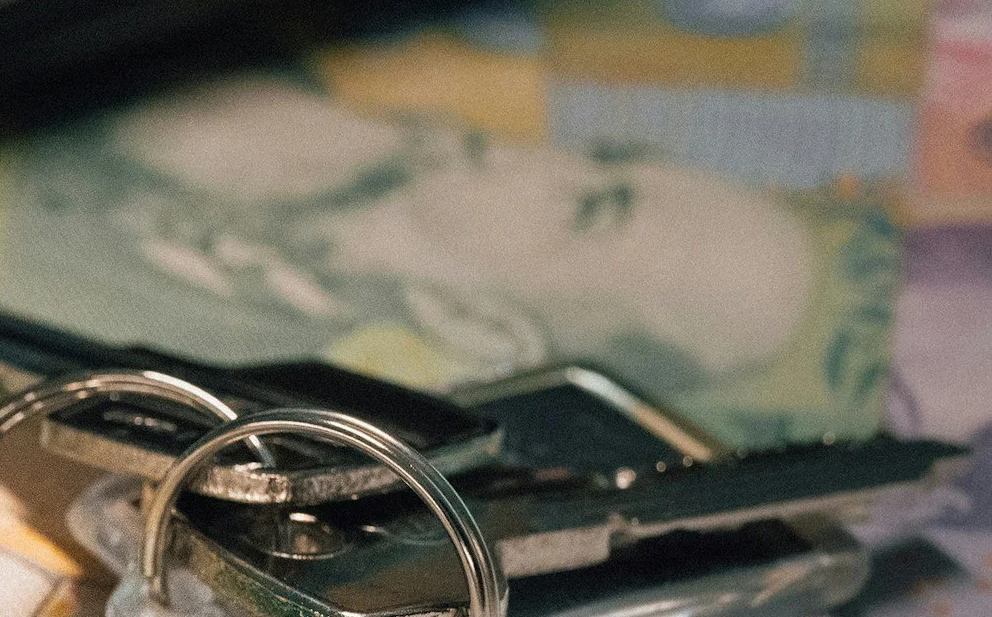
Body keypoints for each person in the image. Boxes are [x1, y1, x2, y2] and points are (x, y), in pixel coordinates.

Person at [97, 76, 820, 394]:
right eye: (601, 153)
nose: (548, 153)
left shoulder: (237, 389)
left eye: (590, 207)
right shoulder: (308, 96)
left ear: (490, 330)